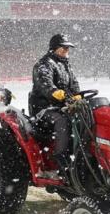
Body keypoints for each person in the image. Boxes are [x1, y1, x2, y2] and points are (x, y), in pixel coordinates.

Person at [30, 33, 81, 177]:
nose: (66, 51)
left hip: (63, 106)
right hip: (44, 109)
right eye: (63, 48)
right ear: (54, 48)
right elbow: (45, 85)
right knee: (63, 120)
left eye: (68, 48)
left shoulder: (66, 65)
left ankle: (81, 155)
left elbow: (74, 84)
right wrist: (57, 93)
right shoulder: (44, 64)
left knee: (85, 118)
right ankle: (61, 157)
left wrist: (77, 96)